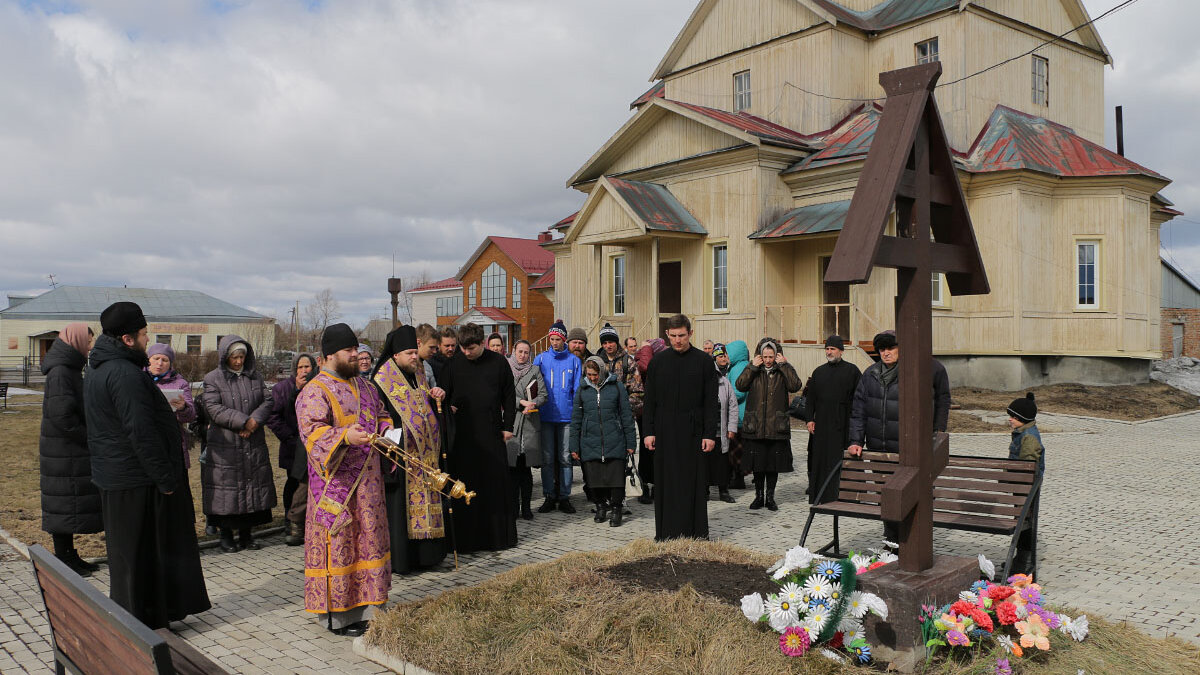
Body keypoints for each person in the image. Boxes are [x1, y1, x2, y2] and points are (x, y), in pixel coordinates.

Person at [83, 301, 210, 628]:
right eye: (142, 334)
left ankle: (140, 615)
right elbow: (141, 432)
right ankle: (144, 621)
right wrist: (165, 479)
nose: (146, 339)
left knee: (130, 554)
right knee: (141, 554)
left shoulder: (99, 368)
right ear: (127, 339)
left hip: (119, 476)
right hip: (136, 479)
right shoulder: (124, 374)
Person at [296, 324, 392, 636]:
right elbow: (312, 432)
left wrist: (388, 433)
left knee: (367, 545)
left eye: (356, 350)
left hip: (369, 488)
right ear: (329, 356)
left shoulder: (365, 386)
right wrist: (345, 436)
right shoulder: (314, 391)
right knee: (340, 547)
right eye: (349, 351)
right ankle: (338, 618)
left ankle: (369, 608)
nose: (356, 354)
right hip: (336, 491)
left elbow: (381, 414)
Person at [371, 325, 448, 574]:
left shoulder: (419, 373)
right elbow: (379, 416)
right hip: (401, 456)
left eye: (416, 352)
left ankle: (428, 557)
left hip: (425, 454)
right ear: (395, 355)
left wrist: (435, 394)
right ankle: (404, 560)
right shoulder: (382, 379)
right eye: (409, 353)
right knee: (401, 510)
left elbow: (424, 403)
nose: (415, 357)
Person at [641, 314, 720, 541]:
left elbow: (711, 401)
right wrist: (648, 431)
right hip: (664, 430)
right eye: (673, 336)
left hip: (693, 431)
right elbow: (650, 402)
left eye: (682, 336)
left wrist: (709, 434)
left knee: (692, 482)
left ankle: (695, 533)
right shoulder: (658, 362)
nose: (678, 340)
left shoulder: (704, 362)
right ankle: (666, 534)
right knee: (666, 482)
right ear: (667, 335)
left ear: (690, 334)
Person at [445, 323, 518, 552]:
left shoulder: (498, 363)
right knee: (465, 484)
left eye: (472, 348)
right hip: (463, 435)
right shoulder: (453, 364)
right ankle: (466, 540)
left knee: (493, 484)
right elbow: (444, 394)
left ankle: (497, 537)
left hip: (491, 431)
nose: (467, 352)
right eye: (463, 348)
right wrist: (449, 409)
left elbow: (509, 395)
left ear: (482, 343)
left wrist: (508, 426)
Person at [200, 336, 276, 553]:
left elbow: (268, 401)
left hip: (252, 443)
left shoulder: (255, 377)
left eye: (242, 357)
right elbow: (213, 408)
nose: (238, 361)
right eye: (234, 357)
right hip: (226, 445)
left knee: (251, 487)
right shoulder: (212, 379)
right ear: (226, 357)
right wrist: (242, 421)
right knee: (227, 491)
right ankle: (226, 536)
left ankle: (247, 535)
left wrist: (253, 422)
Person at [39, 322, 102, 576]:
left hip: (66, 448)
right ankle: (63, 558)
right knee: (64, 503)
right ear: (75, 341)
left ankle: (69, 555)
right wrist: (88, 438)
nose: (90, 347)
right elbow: (62, 415)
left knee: (67, 503)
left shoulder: (70, 368)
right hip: (64, 449)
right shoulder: (62, 371)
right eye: (87, 342)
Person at [847, 330, 951, 457]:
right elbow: (859, 410)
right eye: (882, 349)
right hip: (878, 448)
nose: (886, 353)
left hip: (910, 448)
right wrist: (856, 441)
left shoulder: (920, 370)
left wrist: (938, 431)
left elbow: (942, 400)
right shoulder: (870, 374)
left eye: (891, 348)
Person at [570, 357, 637, 527]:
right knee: (594, 479)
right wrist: (574, 445)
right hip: (589, 441)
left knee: (616, 479)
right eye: (589, 374)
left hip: (614, 439)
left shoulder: (616, 386)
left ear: (602, 371)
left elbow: (626, 415)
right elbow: (576, 418)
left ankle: (616, 508)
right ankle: (600, 506)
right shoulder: (583, 388)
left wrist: (631, 442)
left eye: (595, 374)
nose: (592, 378)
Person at [736, 338, 802, 511]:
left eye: (771, 356)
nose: (767, 360)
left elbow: (795, 385)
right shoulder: (754, 369)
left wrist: (784, 366)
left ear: (776, 355)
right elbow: (740, 385)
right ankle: (758, 496)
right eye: (764, 356)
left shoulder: (782, 369)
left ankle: (770, 497)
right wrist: (752, 366)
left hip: (775, 425)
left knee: (773, 465)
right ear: (760, 355)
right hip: (755, 425)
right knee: (758, 464)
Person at [800, 336, 861, 504]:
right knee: (820, 458)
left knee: (840, 459)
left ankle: (843, 494)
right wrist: (809, 420)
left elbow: (859, 399)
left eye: (833, 349)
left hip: (843, 423)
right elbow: (810, 399)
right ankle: (820, 494)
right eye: (827, 349)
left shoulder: (852, 371)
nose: (829, 352)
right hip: (822, 424)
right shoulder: (818, 372)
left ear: (841, 351)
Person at [267, 353, 317, 546]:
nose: (304, 371)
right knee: (294, 483)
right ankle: (291, 521)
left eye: (307, 367)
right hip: (292, 444)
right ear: (294, 369)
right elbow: (274, 416)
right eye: (300, 367)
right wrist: (288, 437)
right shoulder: (282, 388)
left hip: (312, 445)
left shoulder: (319, 385)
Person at [532, 320, 581, 513]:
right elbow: (533, 386)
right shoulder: (541, 359)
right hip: (545, 416)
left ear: (564, 340)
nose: (554, 342)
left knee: (565, 457)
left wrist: (577, 414)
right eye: (551, 339)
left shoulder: (574, 361)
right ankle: (549, 496)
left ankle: (565, 496)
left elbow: (577, 390)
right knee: (547, 458)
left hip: (566, 417)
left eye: (558, 339)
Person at [506, 340, 546, 520]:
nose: (523, 355)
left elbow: (543, 394)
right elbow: (502, 393)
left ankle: (527, 507)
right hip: (512, 422)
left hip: (530, 422)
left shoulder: (535, 370)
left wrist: (533, 403)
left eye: (526, 352)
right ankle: (513, 508)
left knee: (526, 469)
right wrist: (519, 402)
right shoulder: (505, 368)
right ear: (514, 351)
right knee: (512, 469)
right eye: (520, 351)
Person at [1006, 393, 1044, 574]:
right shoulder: (1024, 433)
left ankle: (1023, 562)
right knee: (1023, 523)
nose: (1010, 419)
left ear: (1023, 419)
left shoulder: (1029, 438)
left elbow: (1028, 468)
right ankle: (1020, 560)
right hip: (1020, 487)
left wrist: (1013, 480)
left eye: (1013, 417)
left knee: (1025, 522)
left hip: (1026, 488)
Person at [146, 343, 197, 469]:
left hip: (172, 441)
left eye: (165, 360)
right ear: (148, 360)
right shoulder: (138, 379)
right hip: (147, 440)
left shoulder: (180, 383)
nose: (160, 363)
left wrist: (183, 408)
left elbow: (191, 416)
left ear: (170, 364)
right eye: (156, 358)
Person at [632, 338, 667, 504]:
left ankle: (657, 486)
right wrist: (646, 350)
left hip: (663, 413)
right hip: (646, 413)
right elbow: (647, 367)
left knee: (660, 452)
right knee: (647, 452)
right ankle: (644, 485)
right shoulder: (642, 362)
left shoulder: (663, 364)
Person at [710, 359, 739, 503]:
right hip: (704, 433)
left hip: (720, 430)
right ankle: (704, 490)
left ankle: (723, 490)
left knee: (722, 462)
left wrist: (732, 427)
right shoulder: (697, 383)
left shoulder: (724, 382)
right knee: (704, 462)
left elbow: (733, 406)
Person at [724, 340, 752, 489]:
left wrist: (724, 396)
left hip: (739, 415)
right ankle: (737, 477)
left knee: (736, 450)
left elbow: (739, 392)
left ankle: (737, 478)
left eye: (728, 353)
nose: (726, 356)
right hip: (743, 414)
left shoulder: (738, 369)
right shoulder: (741, 366)